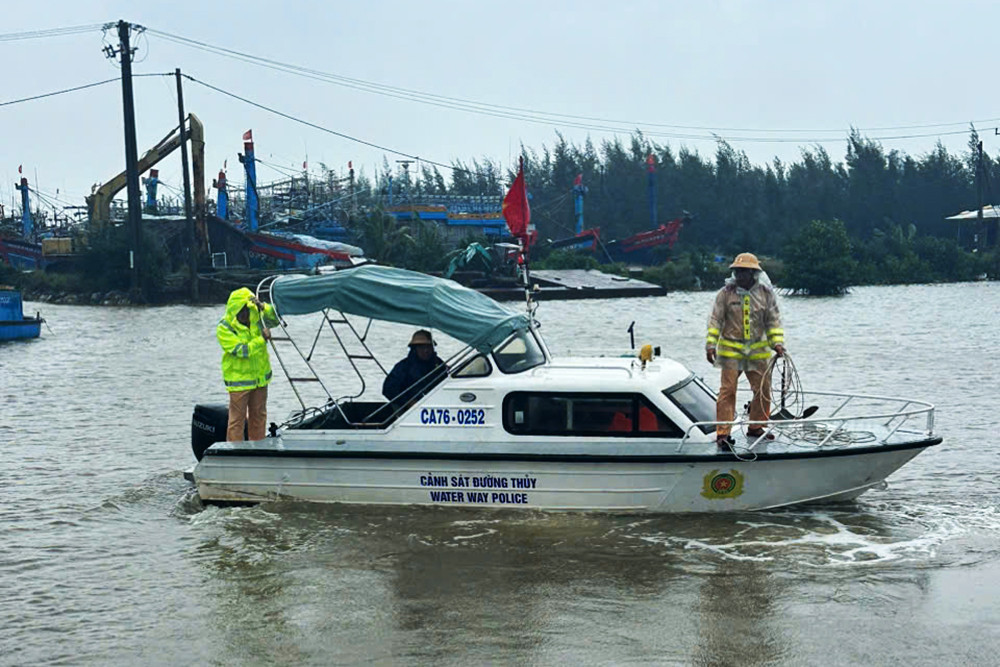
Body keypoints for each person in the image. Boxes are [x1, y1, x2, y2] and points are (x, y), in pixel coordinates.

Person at [706, 253, 786, 449]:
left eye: (744, 271)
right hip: (731, 350)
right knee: (727, 391)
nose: (740, 275)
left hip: (757, 352)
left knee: (763, 390)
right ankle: (723, 432)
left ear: (753, 273)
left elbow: (773, 322)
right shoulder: (725, 294)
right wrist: (710, 345)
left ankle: (756, 426)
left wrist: (777, 343)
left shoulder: (765, 294)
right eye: (737, 271)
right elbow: (715, 320)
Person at [217, 287, 280, 441]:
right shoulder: (224, 328)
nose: (245, 315)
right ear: (235, 310)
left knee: (259, 417)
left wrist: (263, 306)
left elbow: (276, 320)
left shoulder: (257, 317)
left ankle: (257, 450)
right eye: (241, 311)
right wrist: (261, 340)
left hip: (260, 379)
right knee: (237, 421)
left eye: (247, 310)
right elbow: (242, 351)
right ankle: (235, 454)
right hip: (239, 382)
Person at [383, 330, 447, 410]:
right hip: (407, 410)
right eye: (421, 347)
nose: (426, 350)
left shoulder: (439, 365)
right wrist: (409, 402)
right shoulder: (403, 367)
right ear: (414, 349)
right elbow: (388, 390)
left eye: (429, 346)